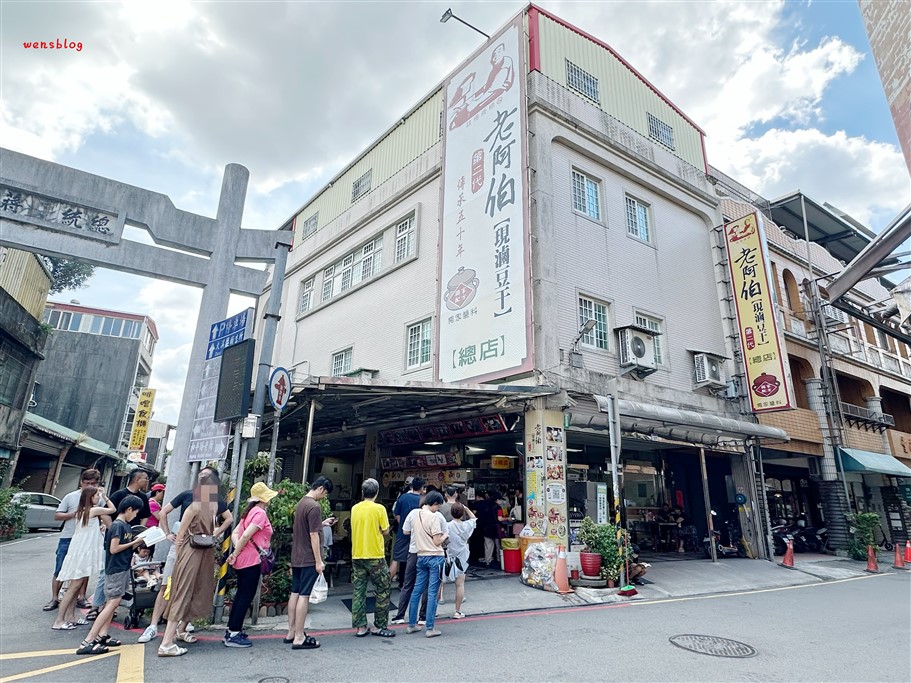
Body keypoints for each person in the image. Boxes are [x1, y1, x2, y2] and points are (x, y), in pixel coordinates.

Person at [138, 465, 233, 644]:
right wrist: (168, 534)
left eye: (205, 476)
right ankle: (154, 625)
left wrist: (215, 533)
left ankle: (181, 629)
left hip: (200, 548)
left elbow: (229, 518)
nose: (201, 479)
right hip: (184, 547)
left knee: (195, 588)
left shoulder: (214, 501)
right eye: (200, 476)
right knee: (169, 586)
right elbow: (164, 513)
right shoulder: (189, 497)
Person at [158, 472, 221, 657]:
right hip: (196, 553)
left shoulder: (203, 506)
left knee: (189, 592)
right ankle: (167, 643)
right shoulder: (204, 506)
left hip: (195, 553)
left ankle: (174, 636)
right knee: (184, 593)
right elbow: (182, 536)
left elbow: (181, 537)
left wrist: (180, 556)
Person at [77, 495, 147, 655]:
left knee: (112, 603)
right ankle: (88, 641)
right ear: (129, 509)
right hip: (115, 569)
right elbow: (114, 549)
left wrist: (135, 542)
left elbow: (122, 547)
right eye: (135, 512)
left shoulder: (125, 526)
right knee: (111, 605)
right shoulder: (117, 526)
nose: (136, 515)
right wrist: (133, 543)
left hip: (122, 568)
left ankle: (102, 635)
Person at [85, 469, 151, 621]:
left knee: (124, 572)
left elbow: (145, 516)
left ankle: (109, 607)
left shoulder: (143, 497)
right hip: (116, 538)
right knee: (106, 572)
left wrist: (139, 533)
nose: (147, 481)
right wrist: (114, 529)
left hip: (132, 539)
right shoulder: (119, 495)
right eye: (145, 478)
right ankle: (96, 606)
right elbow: (104, 513)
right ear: (136, 479)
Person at [223, 481, 277, 648]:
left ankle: (232, 630)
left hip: (243, 560)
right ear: (264, 498)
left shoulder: (249, 512)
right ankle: (233, 634)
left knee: (240, 595)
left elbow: (236, 534)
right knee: (245, 596)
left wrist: (237, 551)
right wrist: (235, 553)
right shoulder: (260, 513)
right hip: (252, 560)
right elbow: (245, 535)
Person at [51, 486, 115, 630]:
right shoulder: (92, 510)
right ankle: (59, 621)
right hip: (83, 552)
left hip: (79, 551)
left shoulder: (83, 511)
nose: (98, 498)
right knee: (73, 587)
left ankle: (70, 617)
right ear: (90, 497)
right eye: (96, 496)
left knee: (76, 585)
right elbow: (112, 509)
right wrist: (105, 496)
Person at [46, 468, 104, 613]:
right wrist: (74, 514)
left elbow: (104, 516)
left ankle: (81, 597)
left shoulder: (98, 498)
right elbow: (57, 515)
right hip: (68, 536)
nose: (89, 486)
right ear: (81, 482)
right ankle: (54, 598)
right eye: (87, 483)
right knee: (60, 568)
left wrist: (102, 524)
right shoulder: (71, 497)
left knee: (84, 569)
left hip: (87, 539)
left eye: (93, 483)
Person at [286, 476, 333, 651]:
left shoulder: (302, 503)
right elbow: (313, 535)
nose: (324, 497)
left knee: (295, 592)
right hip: (308, 558)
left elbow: (307, 528)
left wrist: (322, 524)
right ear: (320, 488)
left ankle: (291, 632)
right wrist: (319, 561)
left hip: (297, 555)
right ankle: (299, 636)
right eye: (325, 493)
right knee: (304, 595)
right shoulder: (314, 506)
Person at [389, 491, 447, 626]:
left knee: (408, 585)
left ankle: (401, 616)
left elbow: (405, 531)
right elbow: (442, 535)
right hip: (432, 553)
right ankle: (424, 617)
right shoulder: (437, 516)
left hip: (415, 551)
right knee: (429, 587)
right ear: (434, 503)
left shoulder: (414, 514)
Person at [349, 478, 395, 638]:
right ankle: (379, 625)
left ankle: (360, 627)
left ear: (363, 492)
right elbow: (386, 530)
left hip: (357, 555)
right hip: (375, 555)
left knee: (358, 591)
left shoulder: (355, 508)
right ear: (377, 492)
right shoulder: (379, 509)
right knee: (383, 589)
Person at [404, 490, 448, 638]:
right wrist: (445, 536)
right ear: (434, 503)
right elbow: (437, 541)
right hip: (435, 557)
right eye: (438, 506)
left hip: (420, 556)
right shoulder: (434, 518)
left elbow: (408, 532)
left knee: (416, 590)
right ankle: (430, 627)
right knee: (432, 592)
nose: (438, 509)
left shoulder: (415, 515)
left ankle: (411, 624)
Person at [389, 477, 423, 587]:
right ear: (422, 488)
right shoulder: (423, 500)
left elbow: (397, 515)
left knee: (396, 560)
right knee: (417, 561)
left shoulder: (403, 498)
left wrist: (404, 525)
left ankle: (384, 587)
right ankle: (415, 586)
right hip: (418, 536)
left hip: (402, 534)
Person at [446, 503, 476, 619]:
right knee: (459, 585)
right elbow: (473, 518)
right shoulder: (466, 525)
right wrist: (467, 509)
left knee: (439, 583)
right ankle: (457, 611)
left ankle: (432, 611)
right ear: (462, 514)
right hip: (462, 556)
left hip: (448, 555)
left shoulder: (447, 526)